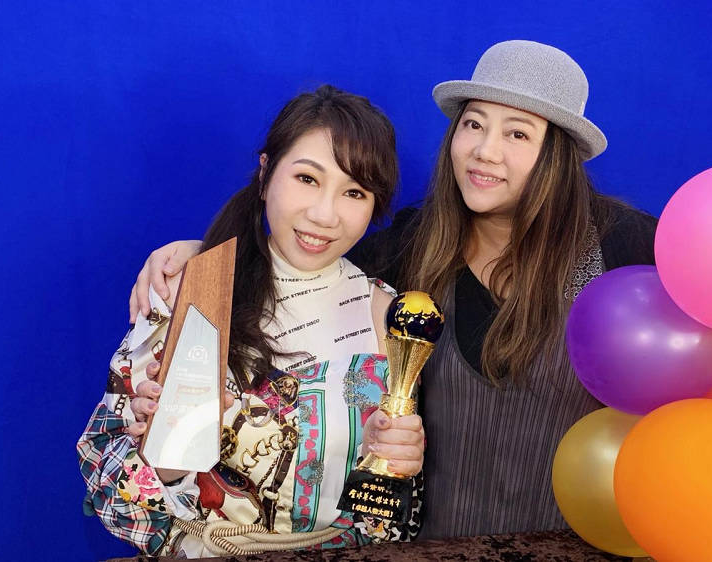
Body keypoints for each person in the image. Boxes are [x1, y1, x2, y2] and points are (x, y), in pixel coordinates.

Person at [129, 41, 657, 540]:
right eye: (473, 124)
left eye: (517, 134)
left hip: (576, 544)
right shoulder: (412, 247)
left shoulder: (622, 247)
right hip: (434, 546)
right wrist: (203, 253)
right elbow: (308, 257)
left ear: (557, 156)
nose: (485, 151)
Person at [78, 85, 426, 557]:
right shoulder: (191, 288)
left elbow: (394, 522)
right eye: (307, 178)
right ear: (266, 174)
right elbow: (109, 495)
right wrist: (163, 459)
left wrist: (398, 468)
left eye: (353, 192)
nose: (324, 214)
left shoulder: (391, 318)